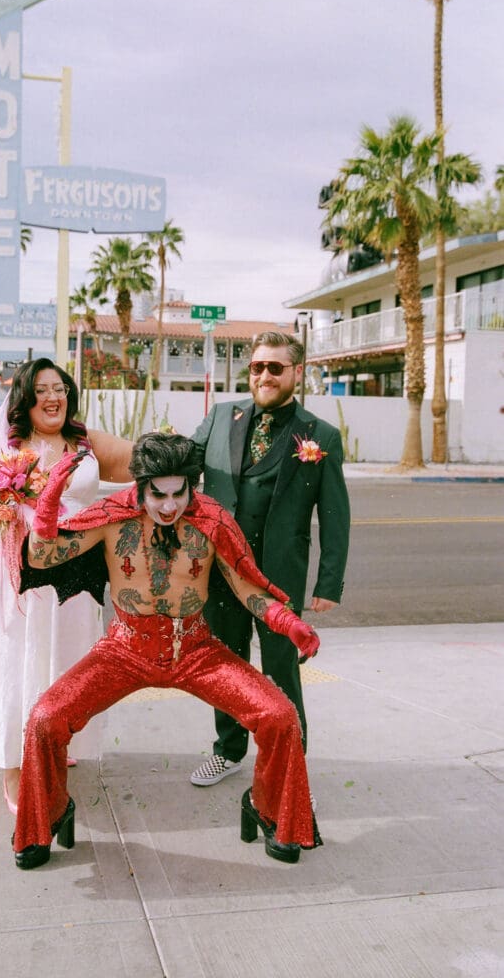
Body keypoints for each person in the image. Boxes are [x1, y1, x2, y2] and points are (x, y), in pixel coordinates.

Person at [12, 433, 322, 870]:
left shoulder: (212, 521)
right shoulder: (111, 515)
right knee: (45, 719)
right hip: (123, 649)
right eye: (158, 494)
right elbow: (43, 558)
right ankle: (50, 813)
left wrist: (289, 623)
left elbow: (247, 587)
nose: (170, 505)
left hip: (196, 649)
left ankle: (267, 808)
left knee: (279, 717)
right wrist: (47, 506)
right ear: (139, 486)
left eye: (180, 493)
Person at [0, 358, 133, 812]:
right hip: (23, 587)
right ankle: (14, 768)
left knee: (66, 666)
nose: (53, 397)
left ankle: (55, 741)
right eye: (41, 389)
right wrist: (3, 514)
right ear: (24, 397)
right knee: (20, 670)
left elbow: (139, 461)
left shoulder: (83, 442)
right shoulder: (10, 448)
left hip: (75, 583)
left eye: (59, 388)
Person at [188, 330, 350, 787]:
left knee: (280, 667)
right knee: (226, 662)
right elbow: (183, 465)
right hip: (222, 571)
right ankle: (229, 749)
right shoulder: (221, 416)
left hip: (278, 576)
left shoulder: (321, 436)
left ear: (297, 372)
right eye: (257, 366)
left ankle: (290, 760)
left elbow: (335, 515)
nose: (264, 375)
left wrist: (328, 582)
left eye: (275, 367)